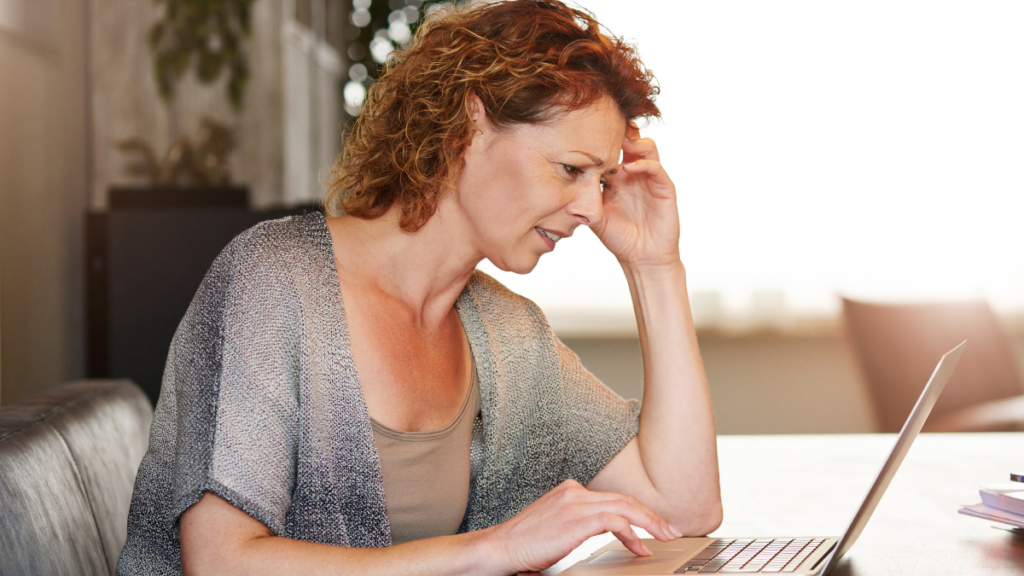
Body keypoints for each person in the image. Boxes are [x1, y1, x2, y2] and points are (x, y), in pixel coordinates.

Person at [117, 1, 722, 574]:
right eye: (571, 169)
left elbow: (683, 509)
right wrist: (494, 550)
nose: (591, 207)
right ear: (469, 124)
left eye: (602, 179)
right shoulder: (273, 281)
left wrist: (655, 266)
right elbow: (221, 562)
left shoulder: (509, 337)